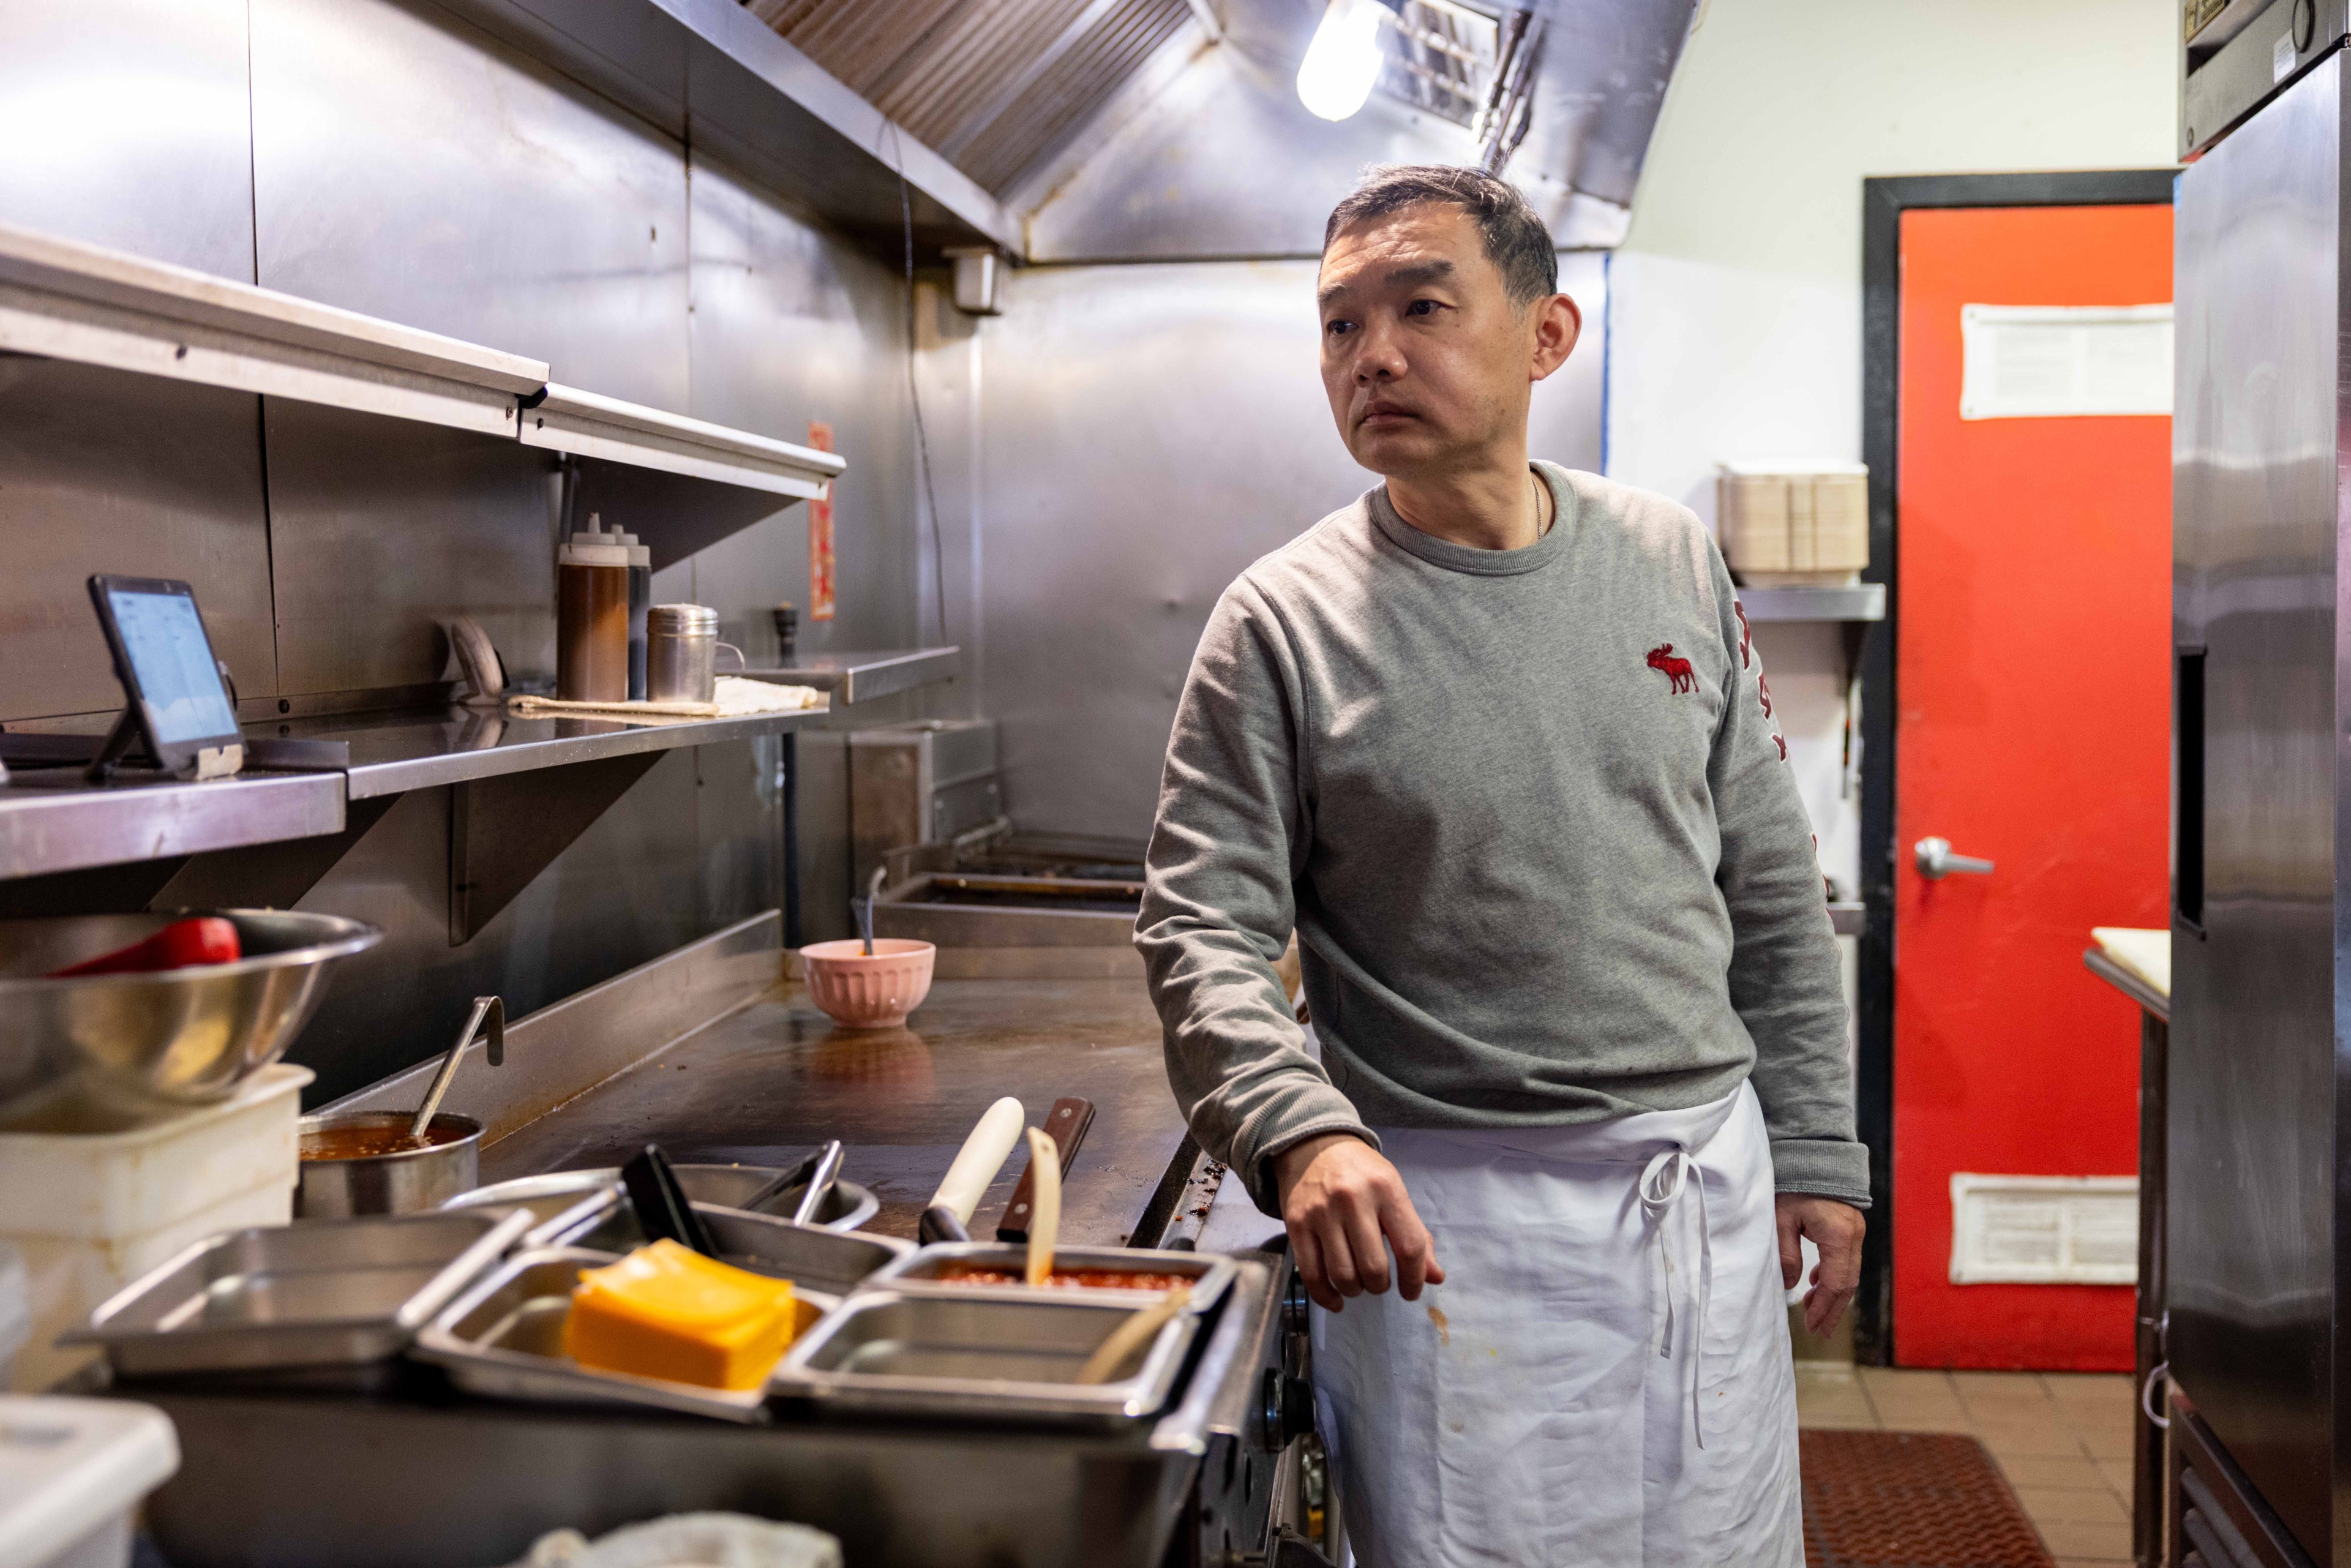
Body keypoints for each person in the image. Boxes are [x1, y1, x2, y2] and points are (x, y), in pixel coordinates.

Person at [1135, 164, 1867, 1565]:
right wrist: (1299, 1129)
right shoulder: (1278, 623)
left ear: (1547, 336)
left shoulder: (1667, 560)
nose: (1374, 356)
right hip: (1440, 1226)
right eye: (1340, 325)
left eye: (1421, 306)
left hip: (1691, 1200)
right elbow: (1198, 927)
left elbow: (1768, 881)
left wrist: (1819, 1148)